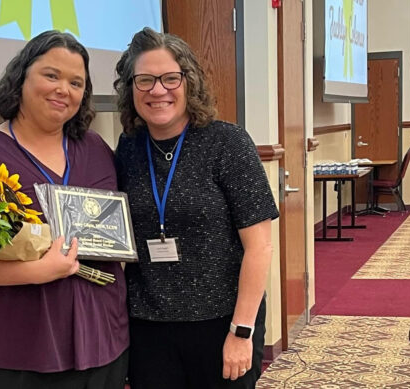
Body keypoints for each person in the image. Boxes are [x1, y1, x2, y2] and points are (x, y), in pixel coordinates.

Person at [0, 30, 129, 389]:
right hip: (17, 349)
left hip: (104, 339)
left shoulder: (96, 149)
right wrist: (38, 271)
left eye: (76, 82)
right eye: (51, 75)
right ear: (21, 77)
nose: (64, 89)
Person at [114, 27, 279, 389]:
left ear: (190, 82)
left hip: (222, 322)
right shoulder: (127, 149)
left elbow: (260, 246)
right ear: (130, 89)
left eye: (170, 78)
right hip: (148, 327)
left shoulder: (228, 143)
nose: (158, 90)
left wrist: (242, 332)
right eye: (144, 80)